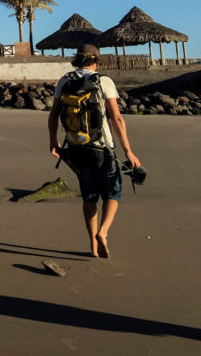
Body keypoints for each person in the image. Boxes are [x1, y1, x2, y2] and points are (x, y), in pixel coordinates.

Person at [48, 43, 142, 259]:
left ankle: (92, 246)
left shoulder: (65, 80)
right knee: (113, 192)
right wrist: (128, 151)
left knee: (89, 197)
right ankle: (103, 231)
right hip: (102, 148)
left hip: (76, 147)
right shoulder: (104, 81)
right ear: (96, 61)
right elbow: (116, 118)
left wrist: (53, 142)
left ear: (76, 59)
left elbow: (53, 115)